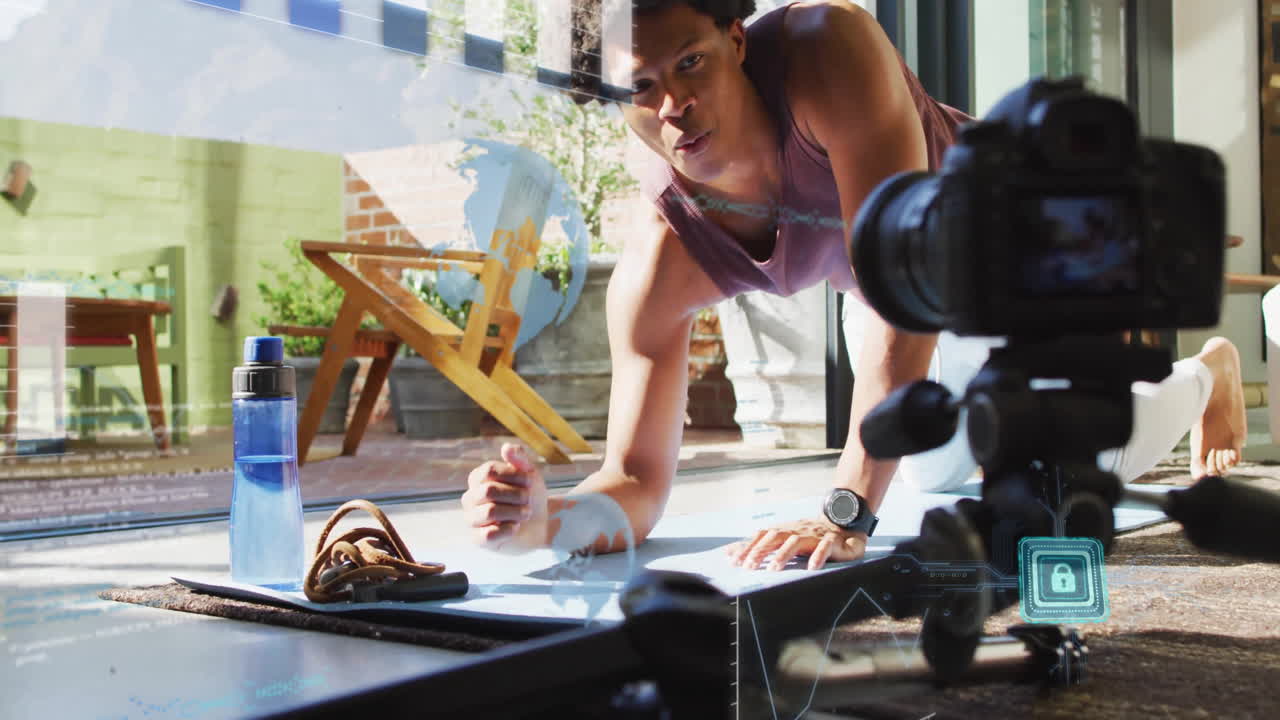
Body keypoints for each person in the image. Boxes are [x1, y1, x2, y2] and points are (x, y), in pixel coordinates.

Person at [460, 0, 1248, 571]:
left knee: (1073, 462)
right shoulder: (662, 256)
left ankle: (1208, 373)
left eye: (690, 62)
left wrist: (846, 511)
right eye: (641, 88)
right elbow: (634, 481)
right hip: (891, 295)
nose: (676, 106)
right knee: (939, 472)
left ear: (736, 39)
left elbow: (904, 290)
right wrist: (547, 522)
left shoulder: (827, 50)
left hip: (1005, 241)